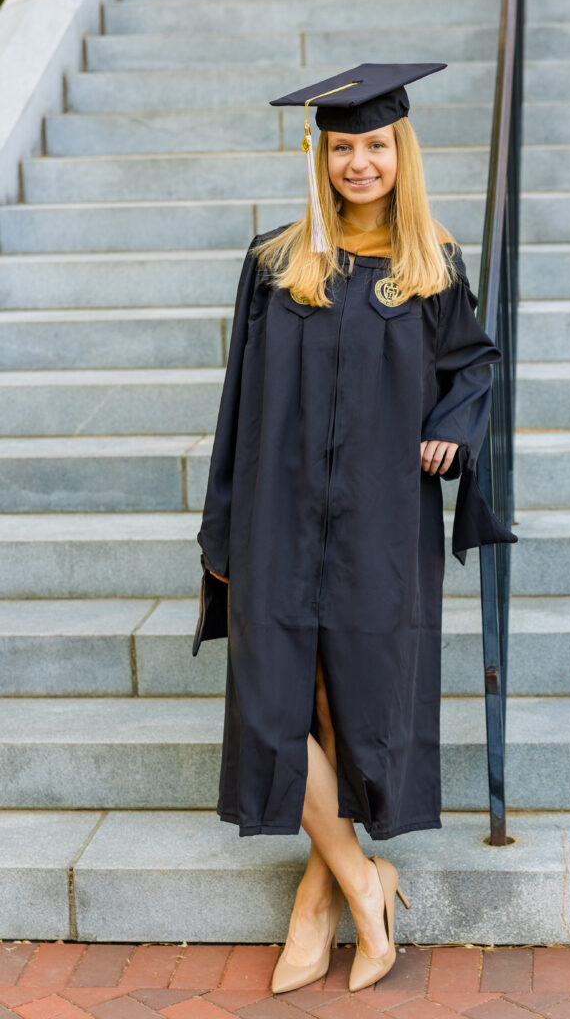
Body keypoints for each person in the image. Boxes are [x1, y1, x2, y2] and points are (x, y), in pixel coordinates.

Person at [192, 63, 517, 995]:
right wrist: (221, 526)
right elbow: (237, 404)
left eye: (376, 146)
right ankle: (363, 878)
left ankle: (320, 900)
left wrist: (449, 435)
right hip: (275, 514)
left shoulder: (429, 264)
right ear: (321, 156)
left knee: (349, 704)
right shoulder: (273, 261)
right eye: (344, 149)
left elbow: (474, 369)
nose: (360, 163)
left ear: (399, 153)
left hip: (379, 520)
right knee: (274, 703)